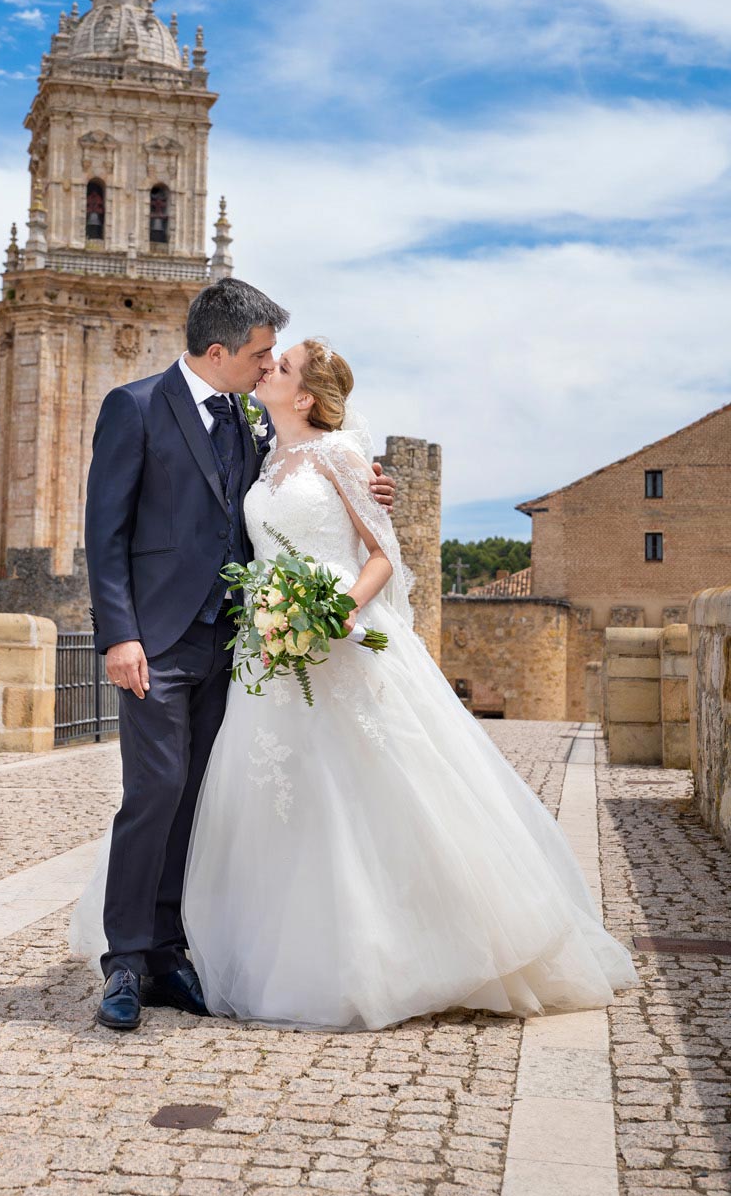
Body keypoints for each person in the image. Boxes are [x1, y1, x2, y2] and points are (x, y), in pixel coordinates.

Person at [179, 338, 640, 1028]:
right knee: (285, 795)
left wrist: (338, 611)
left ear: (304, 396)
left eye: (279, 366)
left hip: (340, 632)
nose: (265, 368)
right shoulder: (262, 451)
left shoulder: (338, 455)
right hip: (270, 647)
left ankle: (416, 950)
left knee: (375, 786)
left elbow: (382, 552)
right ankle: (281, 950)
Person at [74, 283, 395, 1030]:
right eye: (257, 355)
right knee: (153, 789)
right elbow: (106, 532)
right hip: (155, 643)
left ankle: (166, 954)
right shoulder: (136, 407)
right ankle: (123, 962)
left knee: (199, 798)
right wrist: (119, 634)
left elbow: (303, 487)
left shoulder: (253, 422)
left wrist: (372, 486)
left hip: (242, 648)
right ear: (217, 352)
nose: (264, 367)